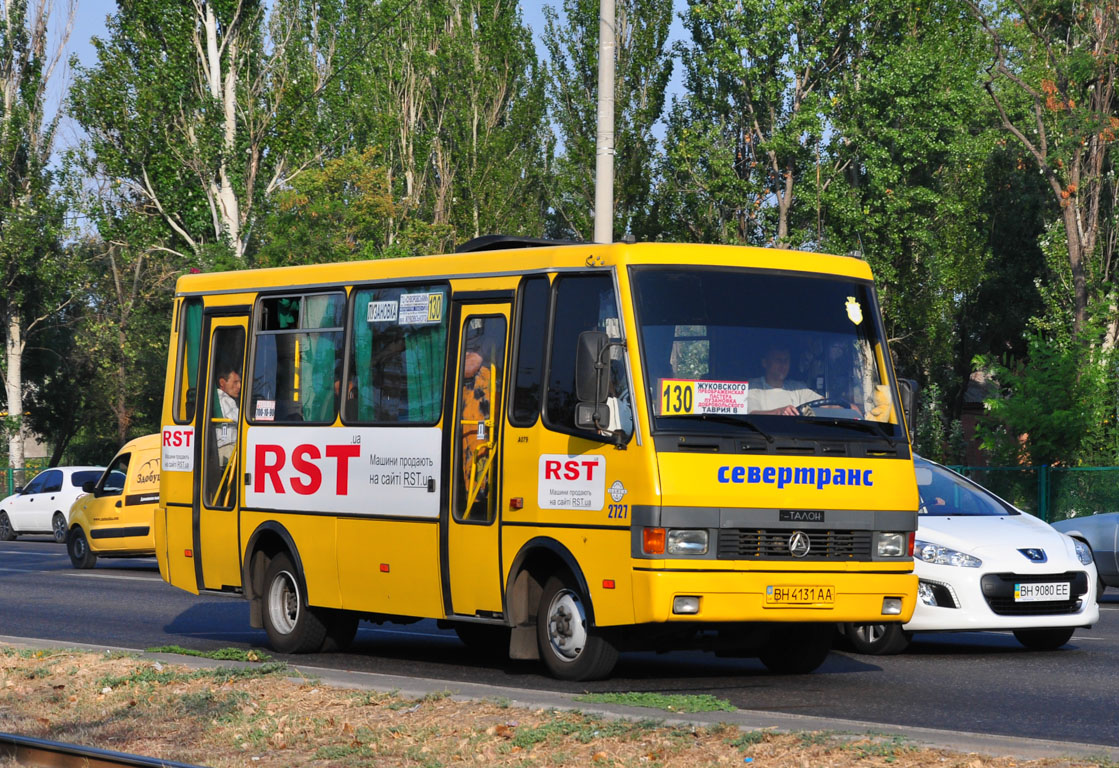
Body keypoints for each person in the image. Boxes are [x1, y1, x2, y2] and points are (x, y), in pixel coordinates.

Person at [747, 345, 821, 416]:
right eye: (778, 360)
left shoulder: (798, 388)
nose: (783, 364)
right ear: (765, 363)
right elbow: (752, 414)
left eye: (786, 360)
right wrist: (780, 412)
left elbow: (826, 404)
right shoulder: (752, 387)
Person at [214, 366, 241, 465]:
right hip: (227, 448)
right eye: (235, 382)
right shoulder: (223, 399)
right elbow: (240, 419)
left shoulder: (219, 399)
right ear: (222, 382)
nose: (239, 386)